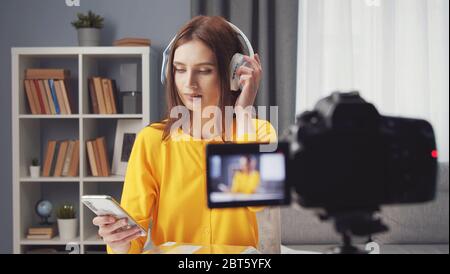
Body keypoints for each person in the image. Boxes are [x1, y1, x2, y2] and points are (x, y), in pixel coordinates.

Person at [92, 15, 276, 254]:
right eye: (179, 70)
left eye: (204, 70)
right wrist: (119, 242)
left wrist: (242, 111)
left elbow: (257, 200)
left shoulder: (259, 132)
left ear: (234, 74)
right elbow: (133, 238)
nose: (189, 83)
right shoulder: (152, 141)